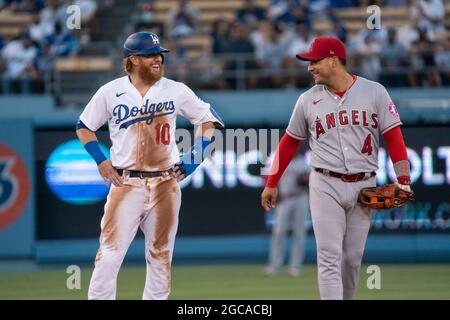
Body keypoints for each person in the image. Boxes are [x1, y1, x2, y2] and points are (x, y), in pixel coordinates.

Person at [75, 31, 224, 300]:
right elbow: (84, 127)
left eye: (159, 54)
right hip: (126, 183)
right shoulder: (110, 91)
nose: (158, 59)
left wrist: (194, 158)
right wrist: (101, 159)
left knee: (160, 256)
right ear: (132, 60)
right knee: (109, 255)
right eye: (150, 55)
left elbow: (209, 120)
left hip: (165, 183)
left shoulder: (175, 90)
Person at [261, 36, 412, 300]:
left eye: (314, 61)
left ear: (333, 61)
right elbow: (288, 143)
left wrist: (404, 179)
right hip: (324, 183)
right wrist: (272, 182)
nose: (309, 67)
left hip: (364, 185)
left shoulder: (375, 91)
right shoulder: (307, 100)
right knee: (329, 255)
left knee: (352, 259)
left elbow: (394, 136)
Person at [264, 154, 310, 277]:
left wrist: (305, 179)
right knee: (278, 231)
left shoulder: (303, 163)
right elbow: (272, 179)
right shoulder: (280, 160)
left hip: (300, 197)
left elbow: (309, 181)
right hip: (285, 199)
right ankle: (274, 266)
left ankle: (295, 266)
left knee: (299, 232)